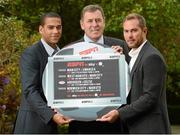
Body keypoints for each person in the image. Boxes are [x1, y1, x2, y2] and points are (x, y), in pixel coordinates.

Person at [97, 13, 171, 134]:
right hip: (137, 128)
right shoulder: (134, 56)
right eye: (126, 31)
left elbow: (149, 98)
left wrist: (119, 113)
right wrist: (117, 60)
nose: (129, 36)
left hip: (150, 129)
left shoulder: (152, 57)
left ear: (144, 31)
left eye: (134, 31)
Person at [68, 4, 129, 134]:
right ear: (82, 24)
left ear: (104, 22)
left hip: (113, 124)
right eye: (90, 21)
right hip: (80, 124)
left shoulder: (120, 46)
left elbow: (130, 81)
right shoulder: (70, 50)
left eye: (98, 20)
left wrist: (120, 62)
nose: (94, 24)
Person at [13, 12, 72, 134]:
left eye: (58, 27)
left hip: (51, 126)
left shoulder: (63, 54)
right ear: (41, 29)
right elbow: (30, 90)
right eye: (50, 27)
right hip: (32, 124)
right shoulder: (31, 54)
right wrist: (52, 115)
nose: (56, 31)